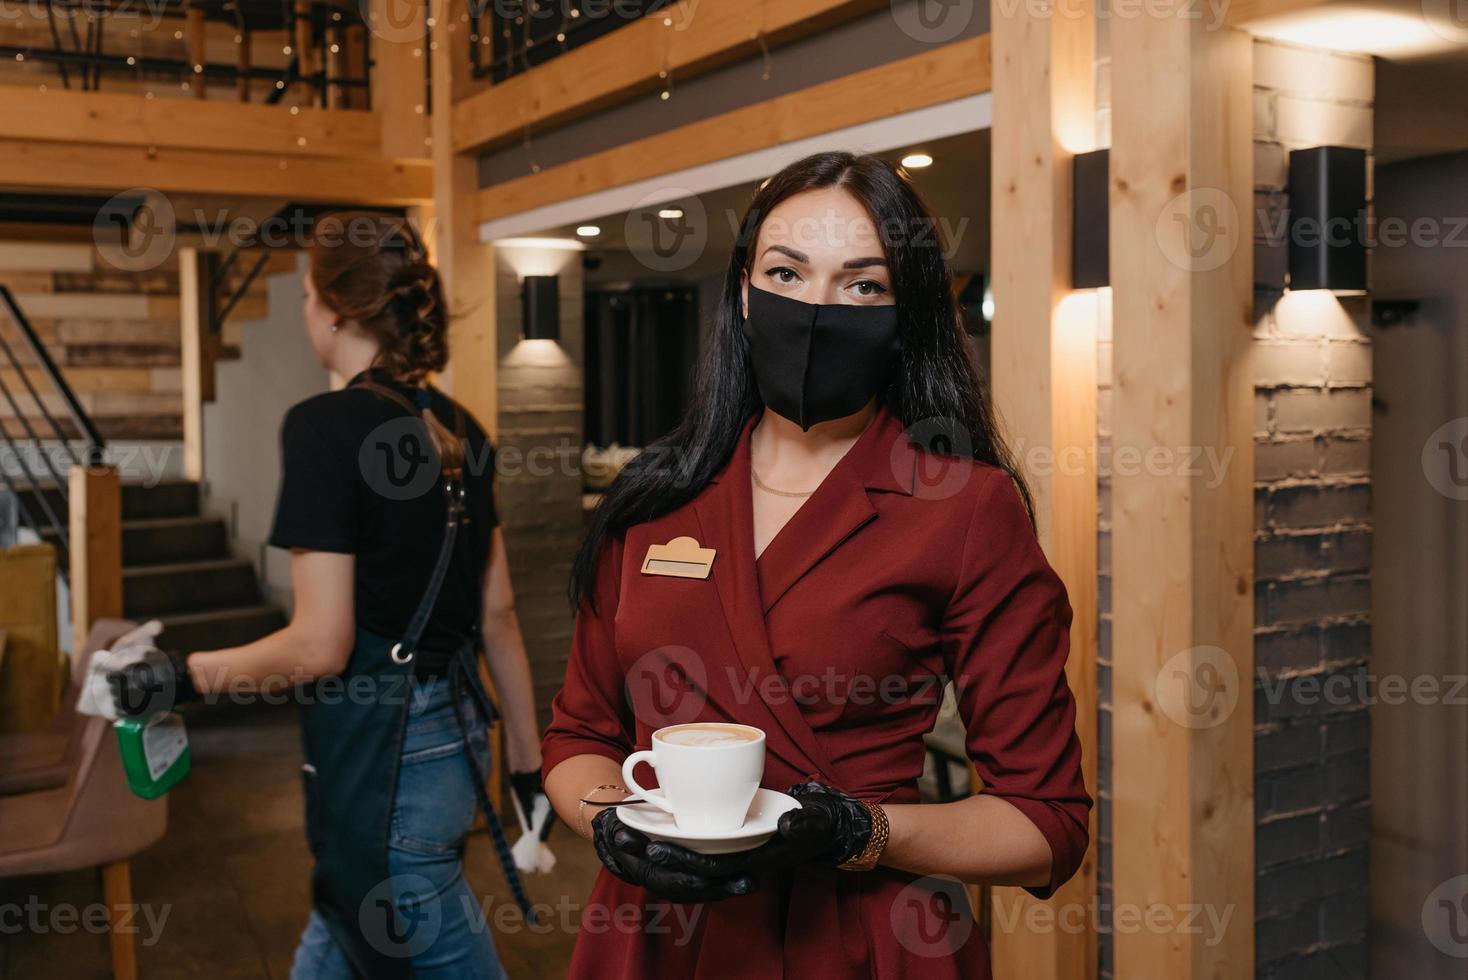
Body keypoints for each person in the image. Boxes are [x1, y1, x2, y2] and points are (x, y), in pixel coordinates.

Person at [540, 152, 1091, 978]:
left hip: (857, 940)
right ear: (743, 294)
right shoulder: (652, 496)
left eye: (863, 285)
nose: (817, 307)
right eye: (787, 273)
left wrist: (862, 832)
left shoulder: (965, 507)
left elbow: (1046, 824)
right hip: (651, 936)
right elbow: (581, 736)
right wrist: (615, 824)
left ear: (905, 315)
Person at [106, 212, 549, 980]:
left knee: (413, 932)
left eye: (309, 294)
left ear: (337, 310)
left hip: (387, 766)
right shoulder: (462, 425)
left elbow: (320, 645)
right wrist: (526, 767)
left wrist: (180, 676)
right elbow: (499, 615)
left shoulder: (321, 427)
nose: (308, 310)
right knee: (338, 935)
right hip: (454, 742)